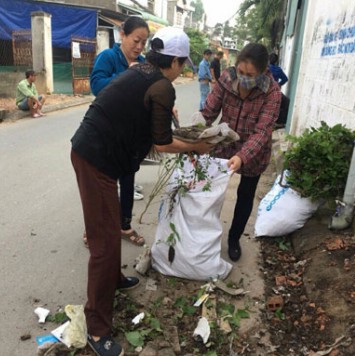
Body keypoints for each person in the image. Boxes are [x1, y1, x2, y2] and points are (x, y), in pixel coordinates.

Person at [71, 26, 213, 356]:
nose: (182, 71)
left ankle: (114, 281)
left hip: (96, 152)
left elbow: (149, 128)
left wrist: (188, 142)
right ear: (175, 62)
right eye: (183, 64)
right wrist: (200, 146)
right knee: (104, 242)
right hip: (95, 158)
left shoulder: (142, 71)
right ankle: (97, 327)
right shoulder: (161, 85)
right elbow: (162, 144)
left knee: (108, 232)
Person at [200, 43, 282, 262]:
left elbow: (262, 132)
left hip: (253, 154)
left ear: (264, 71)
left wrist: (242, 157)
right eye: (242, 72)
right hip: (224, 145)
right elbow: (209, 110)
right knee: (210, 190)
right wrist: (195, 132)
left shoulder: (272, 93)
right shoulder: (227, 79)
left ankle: (234, 239)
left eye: (250, 74)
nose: (244, 78)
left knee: (245, 195)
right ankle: (204, 234)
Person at [87, 16, 149, 247]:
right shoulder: (108, 57)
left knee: (128, 181)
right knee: (103, 186)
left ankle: (124, 225)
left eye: (143, 42)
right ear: (122, 34)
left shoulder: (143, 62)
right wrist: (128, 74)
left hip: (130, 136)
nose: (139, 47)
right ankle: (93, 229)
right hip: (107, 133)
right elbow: (97, 86)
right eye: (136, 40)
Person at [268, 53, 289, 127]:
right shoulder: (278, 69)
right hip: (274, 91)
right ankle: (279, 122)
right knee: (286, 102)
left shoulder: (265, 68)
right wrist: (279, 84)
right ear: (276, 61)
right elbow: (285, 79)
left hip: (264, 91)